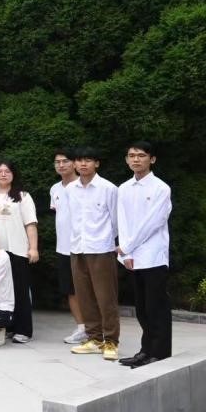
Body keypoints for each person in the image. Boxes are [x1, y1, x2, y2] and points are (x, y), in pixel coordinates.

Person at [116, 141, 173, 369]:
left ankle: (159, 352)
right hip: (133, 255)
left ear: (152, 159)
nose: (136, 159)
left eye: (141, 155)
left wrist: (127, 246)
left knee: (155, 306)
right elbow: (122, 221)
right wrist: (125, 253)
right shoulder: (124, 188)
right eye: (131, 155)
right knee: (141, 308)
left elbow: (153, 223)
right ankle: (145, 350)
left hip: (153, 255)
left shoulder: (161, 188)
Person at [67, 147, 121, 360]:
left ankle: (111, 341)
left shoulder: (108, 188)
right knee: (84, 296)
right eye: (79, 160)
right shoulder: (70, 189)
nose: (83, 164)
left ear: (96, 163)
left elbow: (116, 221)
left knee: (106, 297)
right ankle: (94, 339)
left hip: (101, 249)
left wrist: (107, 240)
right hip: (77, 248)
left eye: (88, 160)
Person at [0, 160, 38, 343]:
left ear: (13, 174)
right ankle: (4, 326)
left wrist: (33, 248)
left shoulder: (22, 196)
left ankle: (23, 330)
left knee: (19, 290)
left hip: (16, 250)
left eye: (7, 171)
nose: (3, 174)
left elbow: (30, 224)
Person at [50, 148, 87, 344]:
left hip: (85, 247)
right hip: (63, 248)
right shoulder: (55, 189)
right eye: (58, 162)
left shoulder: (84, 186)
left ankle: (97, 328)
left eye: (65, 161)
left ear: (74, 163)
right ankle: (82, 328)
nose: (61, 165)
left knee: (89, 289)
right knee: (70, 290)